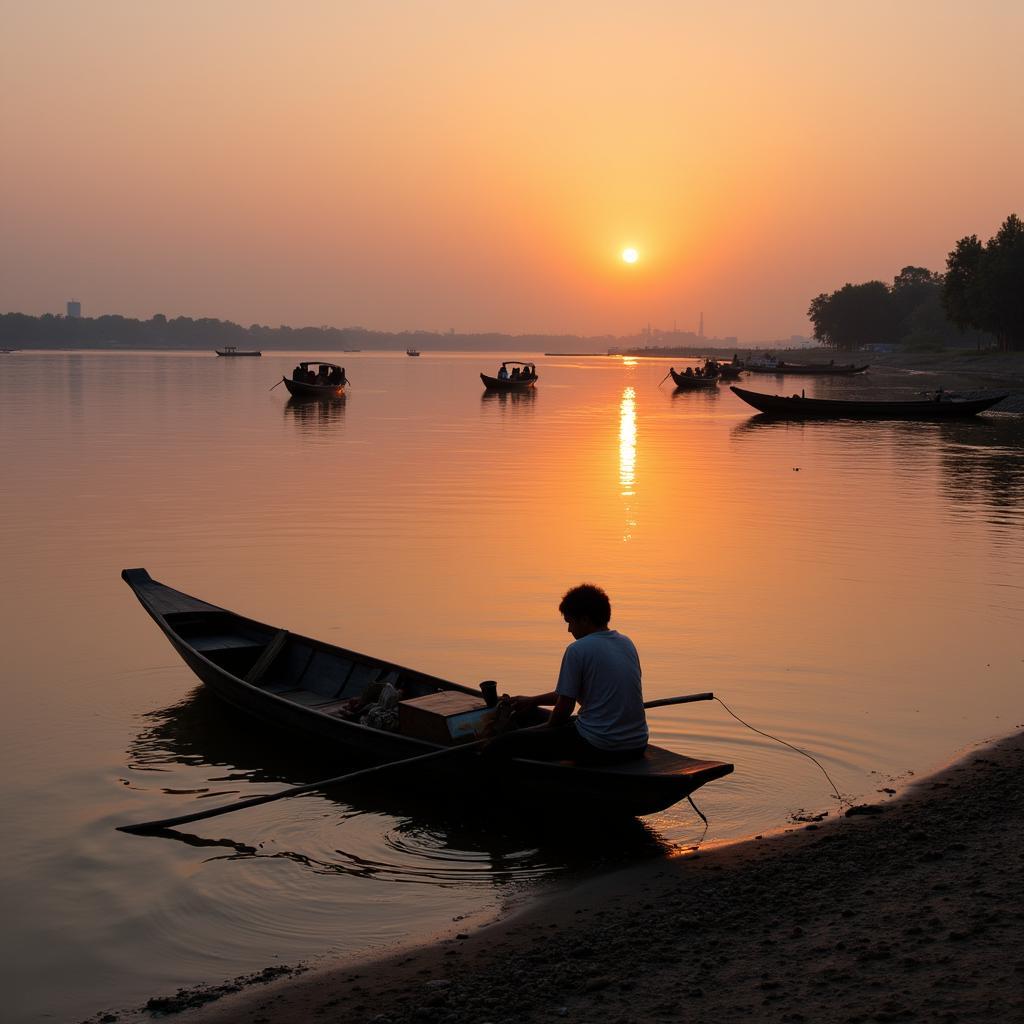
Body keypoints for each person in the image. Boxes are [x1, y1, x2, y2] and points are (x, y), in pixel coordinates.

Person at [483, 584, 648, 766]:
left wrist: (544, 729)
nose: (569, 630)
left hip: (599, 745)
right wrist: (533, 701)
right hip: (637, 743)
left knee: (498, 745)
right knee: (530, 715)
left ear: (584, 620)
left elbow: (565, 708)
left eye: (570, 622)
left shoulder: (578, 649)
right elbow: (568, 693)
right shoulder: (626, 643)